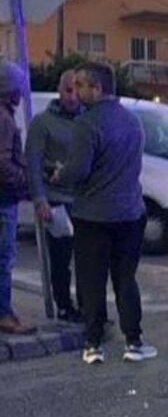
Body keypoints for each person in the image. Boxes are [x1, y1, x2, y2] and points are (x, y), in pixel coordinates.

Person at [54, 62, 155, 364]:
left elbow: (78, 170)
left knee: (92, 279)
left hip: (94, 214)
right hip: (130, 212)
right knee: (126, 278)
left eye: (81, 85)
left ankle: (93, 343)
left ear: (97, 88)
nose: (77, 91)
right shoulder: (133, 121)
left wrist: (60, 175)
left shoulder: (88, 124)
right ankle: (134, 341)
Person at [24, 70, 83, 323]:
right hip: (57, 200)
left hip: (84, 200)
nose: (73, 97)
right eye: (68, 90)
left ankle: (88, 307)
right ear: (60, 91)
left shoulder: (87, 121)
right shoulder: (42, 123)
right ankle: (64, 306)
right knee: (60, 259)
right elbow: (33, 162)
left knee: (86, 259)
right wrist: (40, 199)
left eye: (77, 90)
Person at [0, 60, 35, 335]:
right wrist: (26, 181)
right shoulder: (3, 118)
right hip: (4, 198)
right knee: (4, 258)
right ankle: (4, 314)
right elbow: (2, 163)